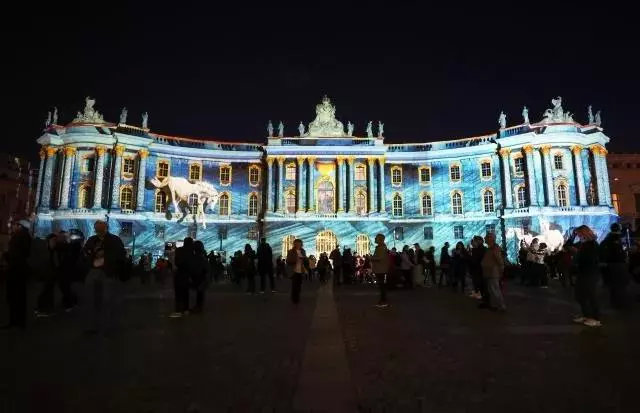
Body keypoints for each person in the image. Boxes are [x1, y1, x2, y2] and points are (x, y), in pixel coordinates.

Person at [81, 220, 126, 332]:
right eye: (97, 229)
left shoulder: (114, 240)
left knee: (107, 299)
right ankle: (92, 325)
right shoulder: (92, 240)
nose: (98, 231)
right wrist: (92, 255)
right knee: (91, 298)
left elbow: (121, 255)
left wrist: (107, 258)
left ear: (106, 228)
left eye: (100, 229)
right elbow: (85, 252)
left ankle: (107, 325)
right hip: (94, 270)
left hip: (108, 272)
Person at [565, 225, 602, 327]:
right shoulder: (582, 244)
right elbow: (567, 246)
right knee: (580, 295)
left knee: (591, 295)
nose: (579, 236)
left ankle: (596, 319)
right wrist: (572, 236)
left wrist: (578, 254)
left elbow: (593, 259)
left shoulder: (592, 244)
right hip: (582, 273)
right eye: (577, 234)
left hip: (590, 273)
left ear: (584, 233)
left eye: (579, 234)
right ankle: (586, 315)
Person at [2, 219, 32, 329]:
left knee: (15, 297)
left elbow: (17, 254)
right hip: (19, 269)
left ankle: (16, 322)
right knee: (18, 297)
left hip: (16, 270)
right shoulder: (24, 236)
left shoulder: (20, 236)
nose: (12, 226)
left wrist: (6, 255)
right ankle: (18, 322)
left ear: (20, 226)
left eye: (14, 225)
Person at [599, 223, 630, 309]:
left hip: (611, 265)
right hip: (617, 265)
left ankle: (615, 302)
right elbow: (619, 252)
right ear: (618, 229)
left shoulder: (607, 239)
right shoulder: (616, 238)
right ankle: (619, 303)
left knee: (614, 285)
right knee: (619, 285)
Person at [481, 232, 506, 312]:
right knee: (492, 290)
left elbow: (499, 260)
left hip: (493, 272)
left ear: (491, 239)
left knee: (495, 290)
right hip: (489, 272)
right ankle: (495, 305)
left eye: (486, 237)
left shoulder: (495, 248)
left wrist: (501, 269)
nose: (484, 238)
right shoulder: (490, 248)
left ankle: (501, 306)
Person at [171, 237, 194, 318]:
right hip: (186, 275)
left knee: (178, 294)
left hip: (179, 274)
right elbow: (191, 264)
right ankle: (185, 309)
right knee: (185, 293)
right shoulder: (191, 252)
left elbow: (176, 262)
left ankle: (178, 310)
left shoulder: (179, 250)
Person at [286, 239, 309, 304]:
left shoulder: (303, 251)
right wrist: (296, 259)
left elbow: (305, 260)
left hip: (301, 270)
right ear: (295, 244)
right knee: (294, 285)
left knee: (299, 285)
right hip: (294, 270)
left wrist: (306, 259)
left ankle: (297, 296)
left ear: (301, 244)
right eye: (297, 244)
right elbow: (288, 261)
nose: (298, 245)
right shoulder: (291, 251)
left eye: (299, 244)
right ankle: (294, 298)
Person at [371, 234, 390, 308]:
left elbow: (380, 258)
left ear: (380, 239)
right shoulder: (380, 247)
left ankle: (383, 301)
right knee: (381, 285)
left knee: (382, 285)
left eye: (376, 238)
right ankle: (383, 300)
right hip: (379, 269)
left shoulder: (382, 247)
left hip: (381, 269)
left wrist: (371, 258)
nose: (375, 239)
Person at [191, 241, 208, 313]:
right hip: (200, 276)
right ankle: (198, 307)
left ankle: (198, 307)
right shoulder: (202, 257)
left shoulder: (198, 257)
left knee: (199, 292)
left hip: (199, 276)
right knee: (200, 292)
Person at [469, 236, 486, 300]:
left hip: (480, 270)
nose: (474, 242)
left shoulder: (483, 249)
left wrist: (474, 249)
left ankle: (484, 299)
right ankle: (481, 297)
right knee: (478, 284)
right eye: (474, 241)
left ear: (480, 241)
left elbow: (476, 260)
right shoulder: (476, 249)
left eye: (476, 240)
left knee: (481, 285)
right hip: (476, 270)